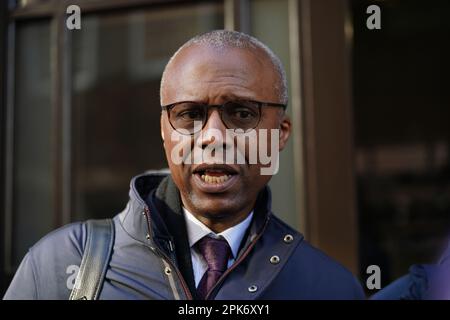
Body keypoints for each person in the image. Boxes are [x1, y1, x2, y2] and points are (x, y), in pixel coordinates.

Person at [4, 30, 365, 300]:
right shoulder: (57, 267)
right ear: (165, 131)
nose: (212, 136)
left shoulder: (329, 288)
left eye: (241, 113)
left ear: (281, 133)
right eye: (190, 114)